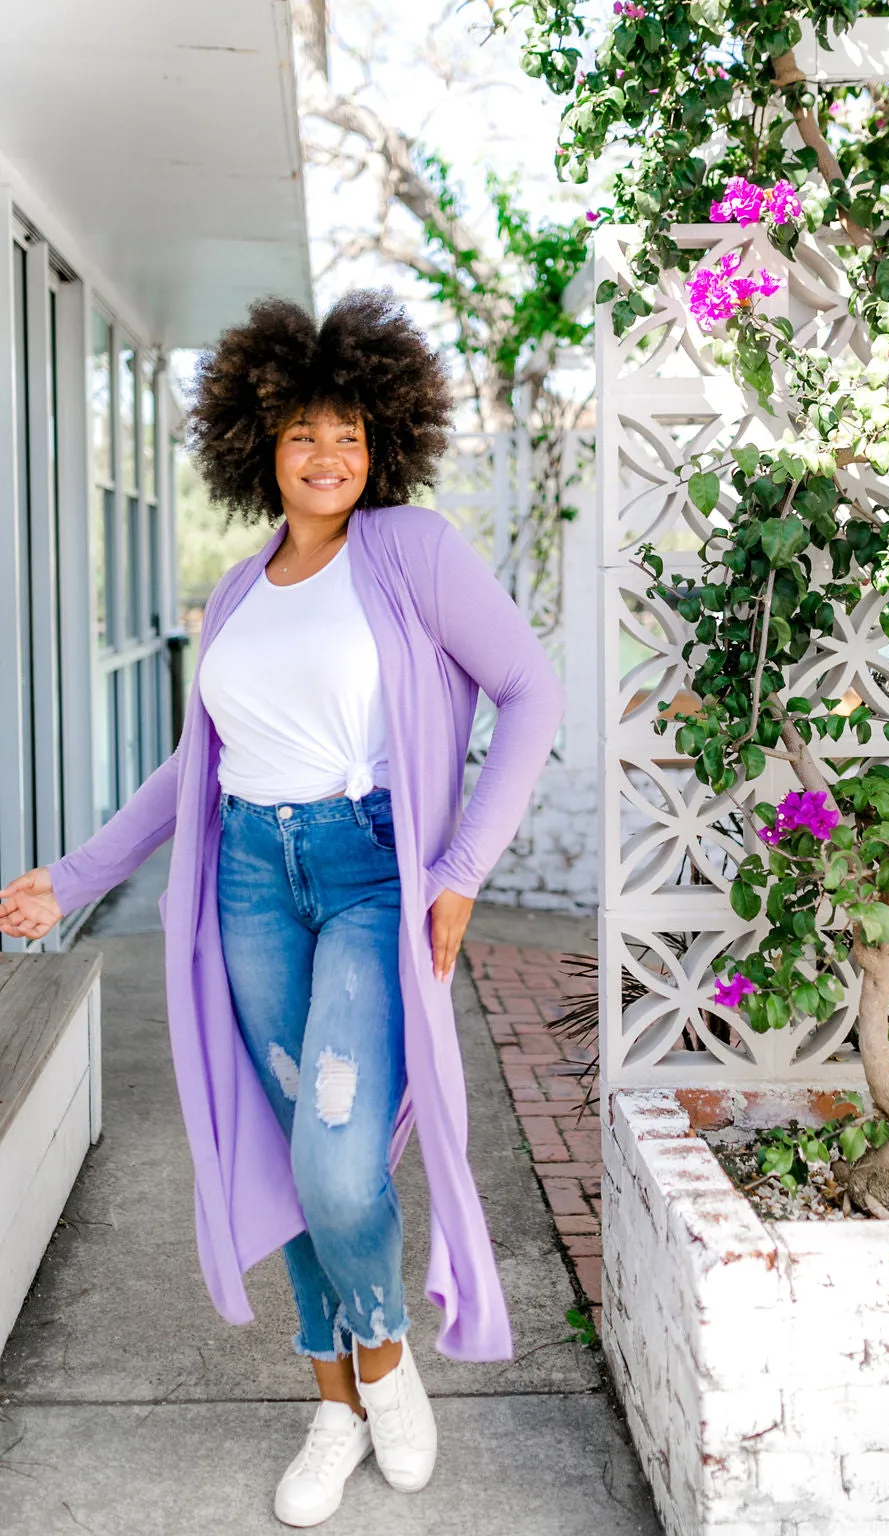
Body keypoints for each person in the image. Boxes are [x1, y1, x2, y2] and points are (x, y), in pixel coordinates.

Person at [0, 290, 565, 1528]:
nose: (330, 458)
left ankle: (380, 1357)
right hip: (250, 882)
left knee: (336, 1157)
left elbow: (531, 690)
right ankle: (336, 1402)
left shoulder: (410, 552)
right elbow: (194, 763)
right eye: (305, 434)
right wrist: (79, 874)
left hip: (370, 877)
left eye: (353, 434)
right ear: (260, 441)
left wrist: (462, 869)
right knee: (287, 1145)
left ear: (386, 442)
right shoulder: (242, 588)